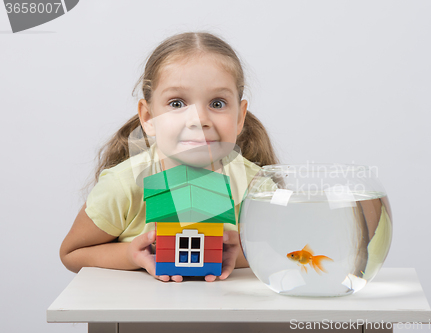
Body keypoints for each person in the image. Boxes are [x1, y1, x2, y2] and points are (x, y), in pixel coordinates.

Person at [60, 32, 279, 282]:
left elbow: (282, 249)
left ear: (240, 117)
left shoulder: (256, 186)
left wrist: (240, 253)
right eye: (177, 103)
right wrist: (131, 255)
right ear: (148, 117)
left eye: (217, 103)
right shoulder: (123, 185)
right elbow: (71, 253)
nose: (199, 120)